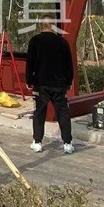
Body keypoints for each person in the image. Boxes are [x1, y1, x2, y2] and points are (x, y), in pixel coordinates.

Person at [25, 17, 75, 154]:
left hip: (41, 84)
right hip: (59, 85)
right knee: (63, 113)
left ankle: (37, 142)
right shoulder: (62, 42)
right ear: (53, 26)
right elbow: (68, 65)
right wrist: (69, 82)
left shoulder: (35, 41)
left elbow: (30, 63)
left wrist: (29, 80)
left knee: (39, 113)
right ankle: (67, 144)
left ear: (41, 26)